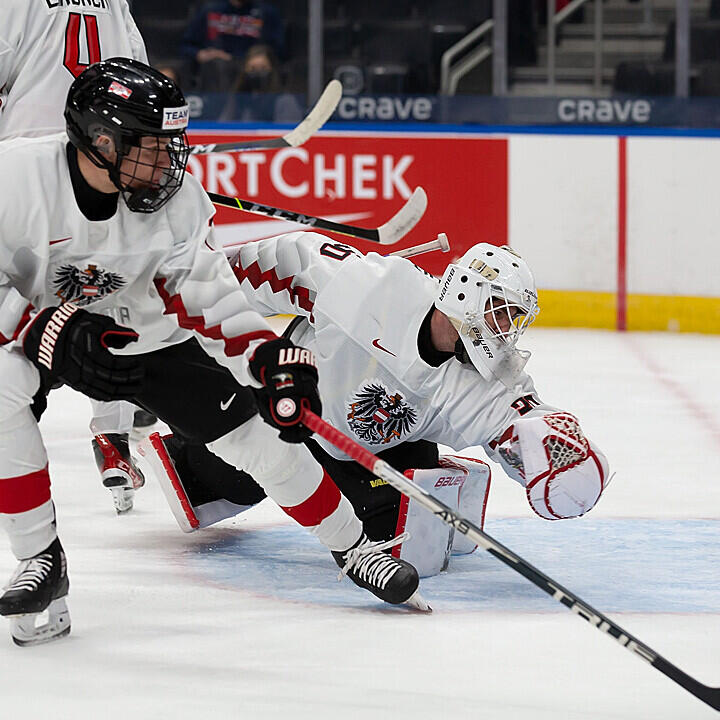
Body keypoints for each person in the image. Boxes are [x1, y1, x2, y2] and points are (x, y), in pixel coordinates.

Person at [0, 58, 425, 648]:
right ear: (99, 142)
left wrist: (268, 356)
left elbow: (206, 291)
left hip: (146, 335)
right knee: (0, 393)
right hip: (39, 329)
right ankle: (40, 558)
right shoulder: (15, 181)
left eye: (173, 143)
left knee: (258, 440)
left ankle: (353, 545)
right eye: (151, 146)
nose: (169, 162)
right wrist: (41, 329)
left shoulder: (175, 199)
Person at [143, 233, 611, 578]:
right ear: (465, 293)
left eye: (513, 320)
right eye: (500, 313)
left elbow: (522, 421)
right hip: (297, 413)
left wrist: (553, 449)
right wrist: (187, 288)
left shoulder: (489, 378)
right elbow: (276, 265)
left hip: (380, 455)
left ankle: (433, 478)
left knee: (406, 547)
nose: (506, 331)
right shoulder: (372, 287)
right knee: (209, 483)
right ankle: (198, 460)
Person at [0, 0, 152, 514]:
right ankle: (114, 439)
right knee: (106, 298)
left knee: (15, 318)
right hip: (96, 163)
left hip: (26, 172)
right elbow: (139, 79)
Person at [180, 0, 284, 93]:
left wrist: (234, 57)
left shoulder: (266, 13)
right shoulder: (210, 10)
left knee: (258, 66)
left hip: (249, 69)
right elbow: (185, 46)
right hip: (216, 70)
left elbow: (278, 50)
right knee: (215, 65)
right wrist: (200, 54)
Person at [218, 44, 303, 123]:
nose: (257, 73)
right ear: (245, 70)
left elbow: (289, 134)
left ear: (272, 70)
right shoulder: (237, 99)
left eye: (263, 68)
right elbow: (223, 127)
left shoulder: (285, 100)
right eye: (252, 69)